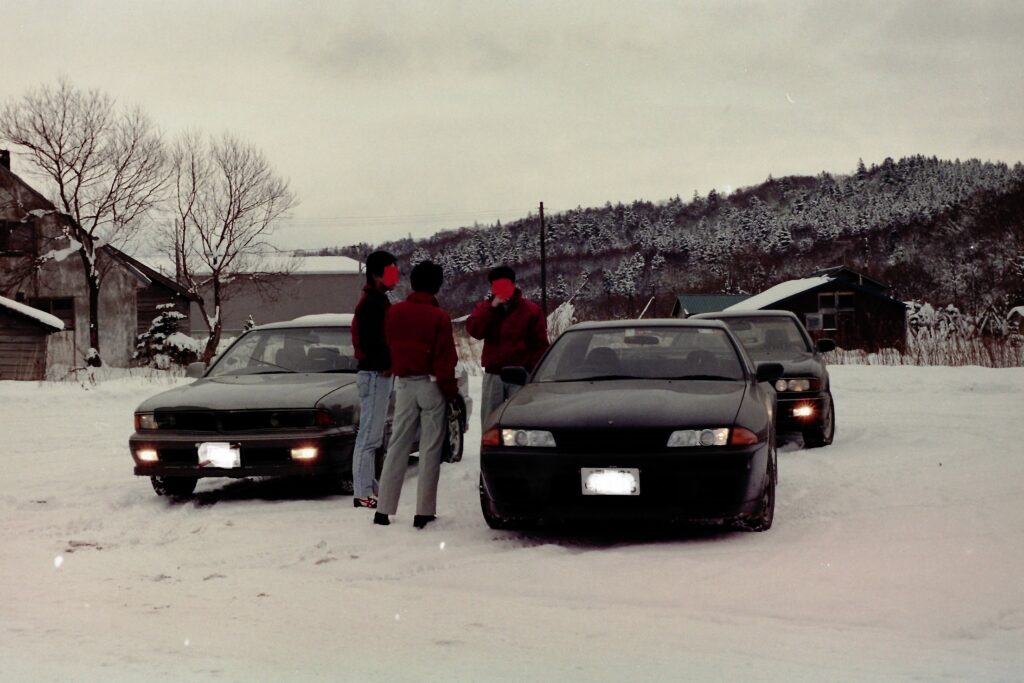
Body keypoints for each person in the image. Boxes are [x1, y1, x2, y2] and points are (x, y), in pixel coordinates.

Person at [374, 260, 459, 529]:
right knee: (430, 448)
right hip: (431, 384)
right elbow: (445, 359)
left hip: (404, 384)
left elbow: (385, 346)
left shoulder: (394, 313)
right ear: (437, 285)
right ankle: (423, 512)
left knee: (397, 445)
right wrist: (450, 391)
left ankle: (383, 509)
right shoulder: (439, 317)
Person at [466, 265, 549, 428]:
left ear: (513, 285)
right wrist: (492, 308)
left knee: (521, 420)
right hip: (494, 373)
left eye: (505, 285)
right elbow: (475, 331)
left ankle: (519, 452)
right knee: (490, 421)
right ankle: (490, 452)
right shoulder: (485, 308)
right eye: (497, 286)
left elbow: (540, 345)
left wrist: (532, 372)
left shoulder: (530, 310)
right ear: (492, 288)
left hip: (520, 372)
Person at [349, 250, 399, 509]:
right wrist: (387, 363)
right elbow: (371, 341)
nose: (395, 278)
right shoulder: (372, 303)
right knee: (368, 436)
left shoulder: (377, 300)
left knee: (373, 435)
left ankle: (367, 485)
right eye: (390, 272)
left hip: (377, 373)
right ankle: (362, 491)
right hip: (374, 374)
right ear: (377, 274)